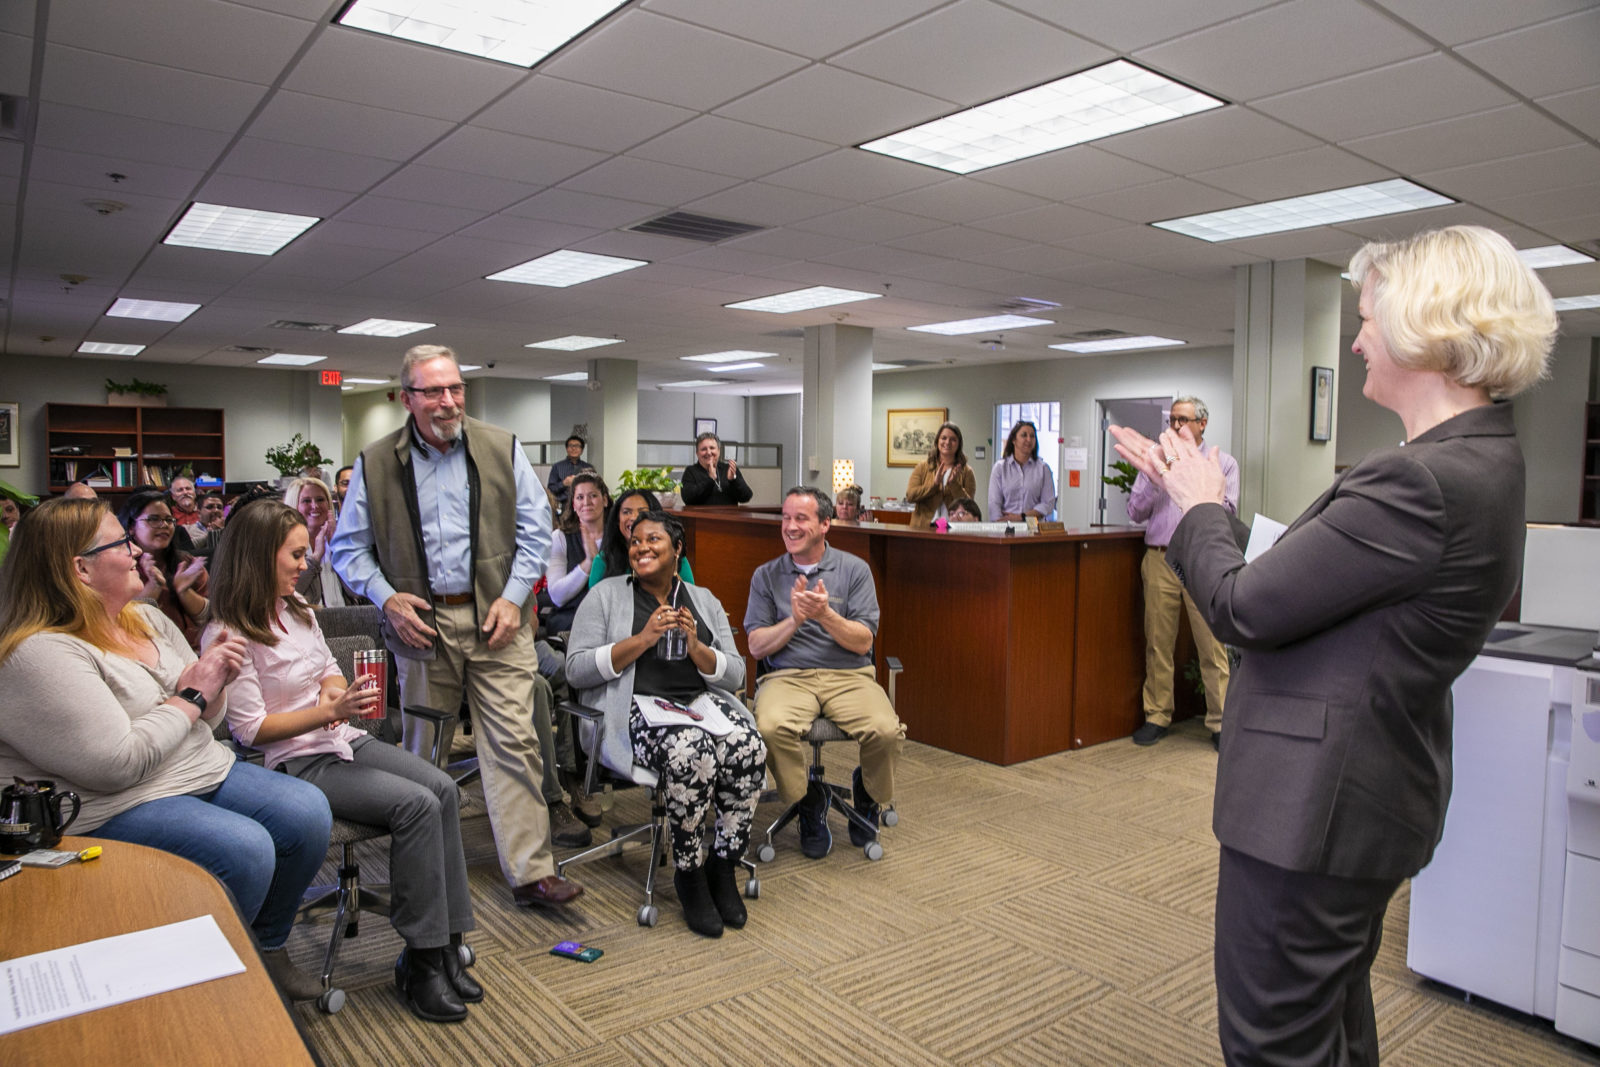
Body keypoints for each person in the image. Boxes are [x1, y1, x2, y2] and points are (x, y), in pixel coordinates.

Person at [1111, 224, 1557, 1067]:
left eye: (1366, 317)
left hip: (1312, 812)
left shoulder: (1418, 480)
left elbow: (1242, 606)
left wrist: (1201, 506)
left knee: (1274, 1043)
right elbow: (1302, 586)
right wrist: (1193, 494)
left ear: (1426, 325)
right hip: (1363, 797)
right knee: (1330, 1026)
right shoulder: (1482, 462)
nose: (1353, 338)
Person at [0, 497, 332, 1002]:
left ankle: (263, 948)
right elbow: (116, 764)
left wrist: (216, 683)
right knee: (244, 849)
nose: (137, 550)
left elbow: (211, 721)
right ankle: (197, 989)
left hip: (195, 766)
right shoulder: (39, 651)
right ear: (79, 568)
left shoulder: (146, 619)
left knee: (306, 812)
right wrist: (192, 694)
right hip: (115, 800)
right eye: (120, 542)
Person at [330, 343, 582, 911]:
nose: (448, 402)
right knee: (425, 748)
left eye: (456, 389)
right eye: (433, 391)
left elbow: (535, 532)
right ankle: (425, 871)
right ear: (406, 398)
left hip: (499, 618)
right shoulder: (376, 462)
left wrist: (516, 598)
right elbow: (348, 551)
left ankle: (532, 873)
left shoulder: (501, 447)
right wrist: (387, 598)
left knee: (515, 742)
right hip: (421, 623)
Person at [206, 500, 479, 1023]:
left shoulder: (299, 611)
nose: (306, 563)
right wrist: (323, 710)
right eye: (296, 553)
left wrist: (336, 695)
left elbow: (329, 666)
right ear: (261, 555)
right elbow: (249, 730)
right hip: (294, 763)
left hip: (343, 739)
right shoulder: (230, 632)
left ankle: (448, 941)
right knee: (418, 806)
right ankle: (420, 960)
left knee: (442, 788)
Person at [566, 511, 762, 938]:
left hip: (698, 703)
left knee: (748, 746)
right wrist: (643, 639)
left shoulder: (702, 598)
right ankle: (689, 872)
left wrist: (696, 647)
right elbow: (576, 670)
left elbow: (735, 675)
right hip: (635, 709)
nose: (641, 547)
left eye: (653, 539)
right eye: (635, 541)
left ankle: (723, 864)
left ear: (677, 551)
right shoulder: (604, 596)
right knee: (693, 751)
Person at [746, 487, 904, 859]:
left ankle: (866, 792)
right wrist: (796, 619)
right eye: (785, 518)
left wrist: (825, 615)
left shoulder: (854, 570)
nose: (790, 526)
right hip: (787, 677)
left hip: (849, 676)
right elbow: (756, 646)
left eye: (801, 518)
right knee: (769, 726)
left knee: (885, 730)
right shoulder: (766, 576)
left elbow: (864, 641)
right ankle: (807, 802)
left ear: (825, 524)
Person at [1125, 396, 1237, 749]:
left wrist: (1190, 486)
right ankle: (1157, 715)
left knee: (1212, 645)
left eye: (1184, 420)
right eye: (1172, 419)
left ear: (1202, 424)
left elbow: (1228, 512)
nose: (1175, 426)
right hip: (1160, 558)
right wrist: (1155, 479)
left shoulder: (1222, 464)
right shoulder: (1155, 463)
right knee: (1158, 642)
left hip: (1202, 561)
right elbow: (1135, 511)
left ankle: (1222, 724)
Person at [119, 489, 208, 650]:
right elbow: (123, 624)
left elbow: (209, 619)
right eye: (154, 519)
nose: (164, 525)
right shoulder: (122, 568)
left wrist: (184, 592)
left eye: (169, 520)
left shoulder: (187, 563)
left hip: (193, 652)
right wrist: (153, 586)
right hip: (143, 653)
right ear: (131, 526)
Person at [588, 488, 694, 589]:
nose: (634, 517)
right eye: (626, 512)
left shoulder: (674, 556)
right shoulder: (603, 560)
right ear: (617, 519)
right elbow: (593, 605)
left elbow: (690, 599)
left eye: (642, 512)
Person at [545, 473, 608, 634]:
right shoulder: (560, 538)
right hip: (570, 621)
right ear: (573, 504)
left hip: (609, 620)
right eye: (579, 497)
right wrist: (588, 563)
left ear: (605, 500)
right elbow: (557, 596)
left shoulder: (618, 537)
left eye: (593, 495)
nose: (586, 502)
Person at [283, 476, 351, 608]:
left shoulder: (340, 541)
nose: (315, 506)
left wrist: (338, 550)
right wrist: (315, 558)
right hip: (306, 621)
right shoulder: (283, 545)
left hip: (344, 620)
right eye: (306, 501)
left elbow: (356, 592)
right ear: (294, 505)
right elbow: (287, 594)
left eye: (320, 500)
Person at [905, 422, 975, 529]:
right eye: (944, 438)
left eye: (953, 439)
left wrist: (954, 484)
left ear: (959, 444)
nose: (947, 442)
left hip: (953, 529)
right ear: (937, 441)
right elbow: (910, 496)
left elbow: (969, 507)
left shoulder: (967, 472)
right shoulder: (922, 467)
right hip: (923, 528)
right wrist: (934, 484)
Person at [988, 420, 1057, 522]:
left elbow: (1048, 503)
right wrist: (1000, 525)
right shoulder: (1000, 468)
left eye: (1032, 436)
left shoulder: (1043, 468)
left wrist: (1021, 517)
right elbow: (994, 503)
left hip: (1034, 526)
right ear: (1014, 440)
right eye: (1024, 435)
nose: (1028, 439)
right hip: (1005, 526)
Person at [680, 432, 752, 507]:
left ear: (718, 451)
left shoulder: (729, 469)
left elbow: (746, 497)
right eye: (703, 449)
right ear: (697, 453)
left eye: (712, 448)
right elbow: (688, 499)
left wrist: (733, 480)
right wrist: (710, 480)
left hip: (729, 517)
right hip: (701, 517)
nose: (708, 452)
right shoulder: (690, 471)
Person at [546, 435, 595, 515]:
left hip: (584, 507)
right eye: (571, 446)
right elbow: (550, 490)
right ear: (566, 449)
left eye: (577, 446)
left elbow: (594, 488)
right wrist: (564, 483)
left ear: (582, 450)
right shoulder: (557, 467)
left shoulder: (588, 467)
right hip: (563, 507)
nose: (574, 448)